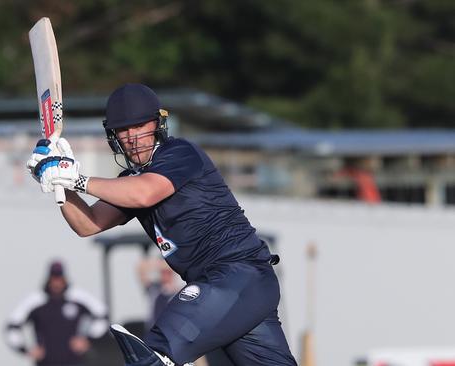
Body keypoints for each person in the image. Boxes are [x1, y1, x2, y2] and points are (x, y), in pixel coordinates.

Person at [26, 83, 297, 365]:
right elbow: (89, 224)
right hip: (237, 289)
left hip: (237, 276)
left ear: (157, 124)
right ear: (113, 135)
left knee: (154, 357)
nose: (132, 137)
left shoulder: (179, 154)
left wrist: (77, 180)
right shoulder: (130, 181)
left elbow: (145, 193)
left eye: (139, 126)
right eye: (123, 129)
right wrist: (58, 184)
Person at [4, 260, 109, 366]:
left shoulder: (77, 296)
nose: (56, 282)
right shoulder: (36, 300)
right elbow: (12, 326)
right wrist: (25, 350)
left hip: (75, 361)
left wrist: (88, 340)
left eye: (59, 278)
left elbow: (102, 316)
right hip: (45, 362)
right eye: (54, 278)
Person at [136, 256, 183, 332]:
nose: (165, 275)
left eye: (168, 272)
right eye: (163, 272)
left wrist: (171, 264)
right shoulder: (154, 288)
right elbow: (141, 268)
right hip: (153, 331)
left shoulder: (179, 292)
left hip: (171, 332)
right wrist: (160, 264)